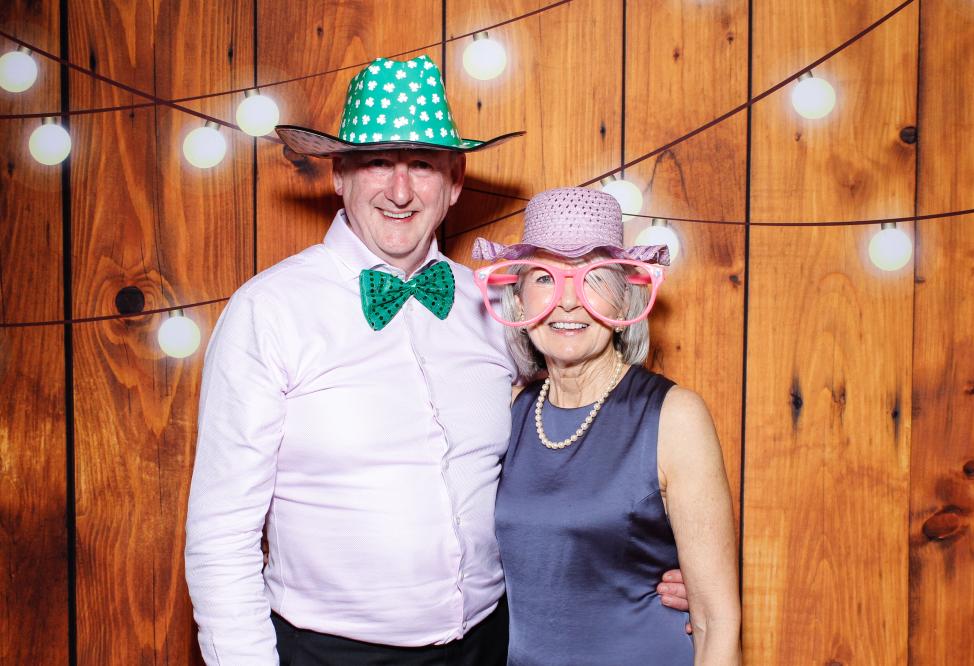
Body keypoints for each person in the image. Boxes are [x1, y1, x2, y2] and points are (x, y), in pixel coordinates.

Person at [184, 56, 689, 665]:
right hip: (329, 653)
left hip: (491, 645)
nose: (400, 191)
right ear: (339, 175)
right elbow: (221, 535)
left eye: (421, 165)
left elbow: (580, 431)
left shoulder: (499, 307)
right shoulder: (268, 311)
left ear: (453, 182)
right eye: (377, 163)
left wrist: (657, 560)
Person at [471, 187, 741, 665]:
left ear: (623, 303)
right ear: (519, 300)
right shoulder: (508, 411)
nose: (567, 301)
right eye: (544, 277)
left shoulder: (674, 416)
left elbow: (716, 621)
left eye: (593, 278)